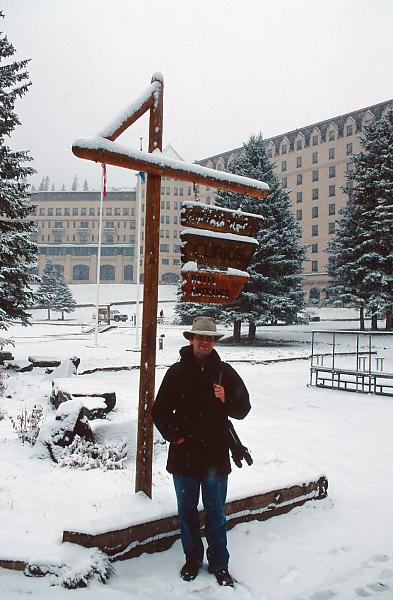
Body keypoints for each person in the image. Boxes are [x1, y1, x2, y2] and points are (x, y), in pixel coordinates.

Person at [151, 316, 250, 587]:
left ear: (214, 341)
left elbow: (243, 409)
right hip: (184, 455)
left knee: (216, 512)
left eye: (210, 338)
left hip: (216, 455)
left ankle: (219, 564)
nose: (205, 342)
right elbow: (159, 411)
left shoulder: (225, 373)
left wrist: (225, 399)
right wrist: (175, 436)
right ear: (191, 339)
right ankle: (192, 558)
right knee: (187, 511)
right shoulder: (176, 372)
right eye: (200, 337)